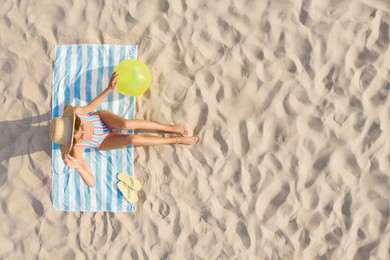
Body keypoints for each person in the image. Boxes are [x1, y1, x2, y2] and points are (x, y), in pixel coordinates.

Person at [50, 72, 199, 187]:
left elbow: (92, 106)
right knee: (132, 139)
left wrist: (109, 89)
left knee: (126, 125)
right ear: (73, 142)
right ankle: (177, 139)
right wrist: (78, 168)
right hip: (103, 141)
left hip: (101, 120)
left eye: (82, 127)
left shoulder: (78, 112)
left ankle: (168, 127)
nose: (86, 132)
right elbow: (92, 183)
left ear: (76, 119)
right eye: (81, 137)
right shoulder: (76, 150)